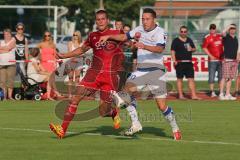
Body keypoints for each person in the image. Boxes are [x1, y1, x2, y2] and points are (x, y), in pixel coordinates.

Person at [99, 8, 182, 140]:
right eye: (143, 19)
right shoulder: (139, 29)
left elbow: (160, 48)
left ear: (154, 19)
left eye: (147, 19)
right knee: (126, 91)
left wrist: (144, 46)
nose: (144, 21)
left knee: (161, 106)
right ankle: (135, 123)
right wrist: (108, 36)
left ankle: (175, 127)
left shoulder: (160, 32)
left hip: (156, 72)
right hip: (140, 71)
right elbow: (124, 36)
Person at [49, 10, 125, 139]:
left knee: (102, 111)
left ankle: (113, 112)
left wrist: (109, 37)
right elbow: (82, 49)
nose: (100, 21)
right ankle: (62, 130)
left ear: (107, 20)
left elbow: (124, 38)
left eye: (102, 19)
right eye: (98, 19)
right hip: (93, 74)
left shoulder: (116, 33)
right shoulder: (93, 36)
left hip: (109, 76)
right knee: (75, 99)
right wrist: (64, 55)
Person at [171, 26, 201, 100]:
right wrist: (174, 60)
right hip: (179, 63)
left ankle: (193, 95)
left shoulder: (189, 40)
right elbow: (172, 51)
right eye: (182, 31)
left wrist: (192, 49)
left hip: (188, 62)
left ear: (187, 32)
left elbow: (194, 49)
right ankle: (181, 95)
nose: (183, 33)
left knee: (191, 79)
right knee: (179, 79)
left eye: (185, 31)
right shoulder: (176, 40)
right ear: (179, 32)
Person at [38, 31, 62, 100]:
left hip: (52, 64)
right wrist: (38, 63)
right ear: (44, 37)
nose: (47, 37)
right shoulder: (41, 44)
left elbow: (55, 55)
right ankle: (55, 93)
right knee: (51, 79)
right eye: (45, 36)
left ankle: (51, 95)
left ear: (50, 36)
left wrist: (58, 61)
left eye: (48, 35)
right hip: (44, 64)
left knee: (52, 80)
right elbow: (36, 54)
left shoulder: (53, 45)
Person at [202, 24, 224, 97]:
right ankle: (212, 92)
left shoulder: (220, 36)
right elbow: (204, 48)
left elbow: (223, 46)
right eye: (211, 28)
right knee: (211, 76)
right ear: (209, 29)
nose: (212, 30)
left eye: (213, 28)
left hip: (221, 60)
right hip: (212, 61)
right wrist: (210, 56)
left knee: (221, 76)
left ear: (215, 29)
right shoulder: (207, 37)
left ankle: (221, 92)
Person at [219, 24, 239, 100]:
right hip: (226, 59)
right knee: (224, 77)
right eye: (231, 28)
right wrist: (228, 26)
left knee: (230, 78)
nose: (233, 30)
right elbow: (222, 33)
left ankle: (227, 94)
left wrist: (237, 57)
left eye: (234, 28)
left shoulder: (236, 38)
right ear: (229, 29)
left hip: (234, 60)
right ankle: (221, 94)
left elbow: (237, 49)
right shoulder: (226, 36)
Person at [65, 31, 84, 98]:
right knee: (70, 79)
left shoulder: (82, 43)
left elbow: (83, 54)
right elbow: (70, 53)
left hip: (79, 62)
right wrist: (75, 56)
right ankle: (70, 95)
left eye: (76, 35)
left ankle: (76, 94)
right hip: (71, 62)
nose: (75, 36)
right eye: (74, 35)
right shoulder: (70, 43)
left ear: (79, 36)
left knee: (77, 79)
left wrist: (77, 56)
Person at [0, 28, 16, 100]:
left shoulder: (13, 40)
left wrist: (2, 49)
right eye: (4, 34)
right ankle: (4, 97)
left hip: (11, 63)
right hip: (2, 63)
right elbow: (6, 49)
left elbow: (9, 48)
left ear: (10, 34)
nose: (6, 35)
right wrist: (5, 49)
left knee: (10, 81)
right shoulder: (1, 41)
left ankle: (10, 96)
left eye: (7, 34)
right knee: (2, 81)